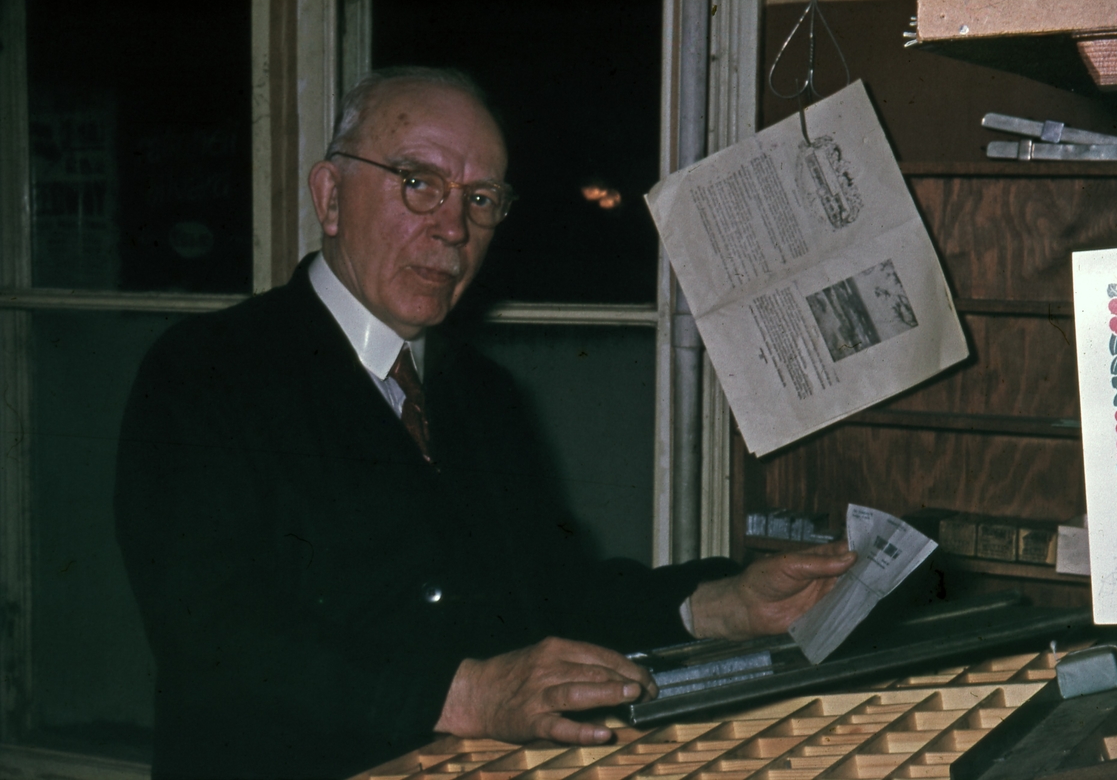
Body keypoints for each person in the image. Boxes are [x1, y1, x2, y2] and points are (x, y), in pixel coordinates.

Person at [115, 67, 855, 780]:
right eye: (418, 182)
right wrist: (465, 692)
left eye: (480, 199)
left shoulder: (482, 394)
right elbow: (213, 638)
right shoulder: (208, 371)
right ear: (330, 197)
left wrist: (724, 604)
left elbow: (553, 594)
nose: (452, 228)